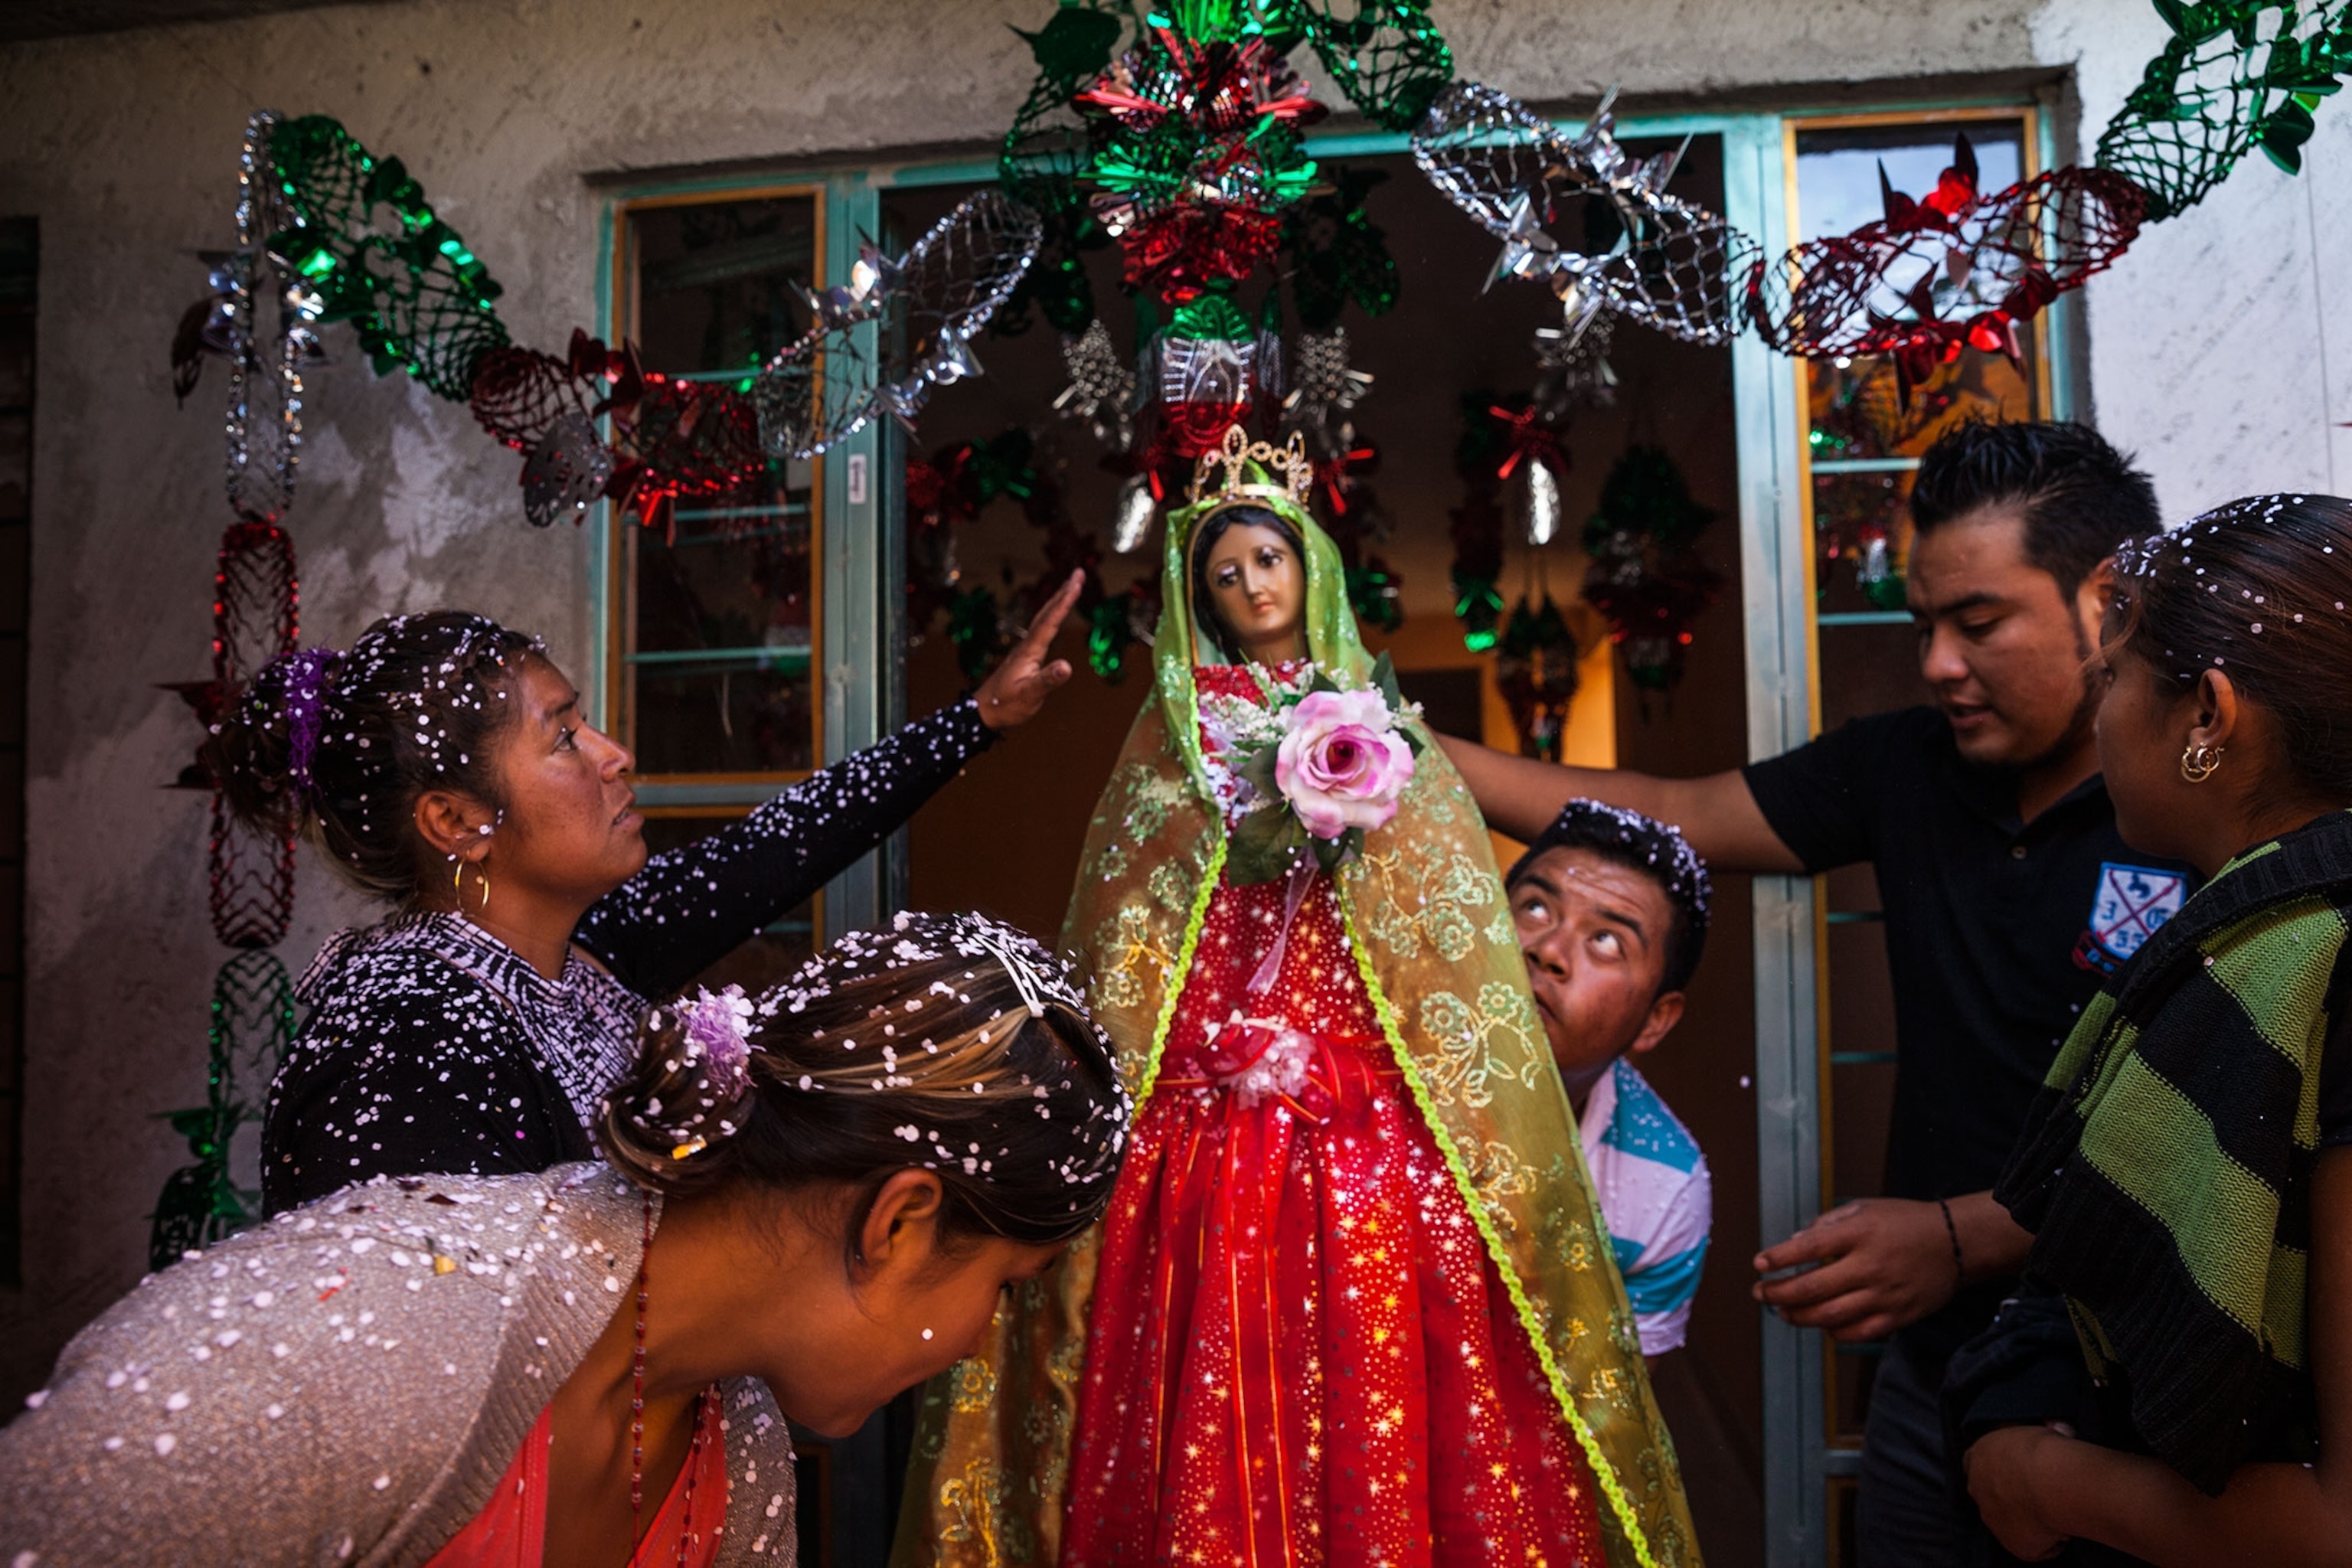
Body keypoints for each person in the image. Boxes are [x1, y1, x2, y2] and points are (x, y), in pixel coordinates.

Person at [891, 427, 1697, 1568]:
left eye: (1269, 560)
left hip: (1355, 1121)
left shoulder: (1389, 733)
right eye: (1226, 574)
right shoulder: (1170, 743)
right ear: (1201, 600)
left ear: (1309, 564)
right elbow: (1136, 926)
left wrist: (1334, 1035)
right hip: (1197, 1114)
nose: (1253, 585)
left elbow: (1429, 941)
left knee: (1392, 1405)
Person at [1442, 419, 2187, 1565]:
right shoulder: (1907, 767)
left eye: (1978, 623)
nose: (1939, 663)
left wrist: (1961, 1235)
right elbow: (1665, 813)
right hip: (1934, 1380)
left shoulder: (2203, 802)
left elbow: (2221, 1135)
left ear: (2107, 601)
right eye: (1925, 625)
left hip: (2146, 1390)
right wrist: (1381, 747)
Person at [0, 911, 1130, 1566]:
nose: (985, 1345)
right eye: (1012, 1289)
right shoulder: (356, 1346)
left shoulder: (736, 1459)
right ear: (899, 1220)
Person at [211, 577, 1080, 1213]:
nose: (612, 751)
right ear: (455, 818)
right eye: (563, 737)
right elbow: (425, 1363)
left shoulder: (578, 951)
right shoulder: (404, 1031)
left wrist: (977, 719)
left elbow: (776, 847)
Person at [1952, 494, 2352, 1564]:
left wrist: (2046, 1479)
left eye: (2113, 680)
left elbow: (2342, 1519)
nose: (2100, 718)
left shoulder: (2338, 973)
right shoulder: (2255, 938)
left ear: (2208, 716)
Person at [1508, 799, 1714, 1361]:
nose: (1548, 950)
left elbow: (1608, 1426)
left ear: (1655, 1020)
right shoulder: (1356, 1076)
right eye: (1533, 907)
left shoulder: (1661, 1187)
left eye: (1606, 940)